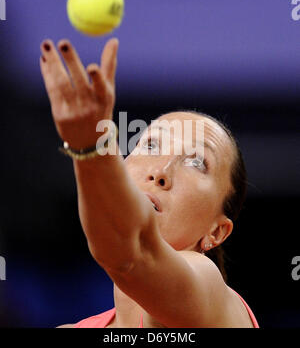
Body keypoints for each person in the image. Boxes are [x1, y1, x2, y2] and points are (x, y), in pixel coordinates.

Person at [39, 37, 259, 328]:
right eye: (151, 146)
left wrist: (89, 146)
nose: (161, 172)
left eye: (197, 162)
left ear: (217, 231)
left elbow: (132, 254)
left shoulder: (211, 298)